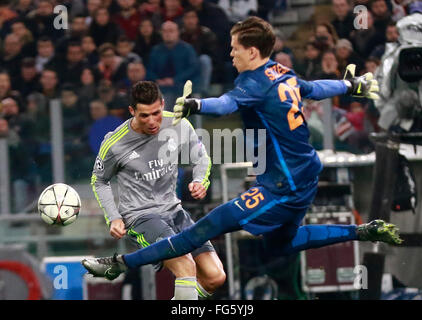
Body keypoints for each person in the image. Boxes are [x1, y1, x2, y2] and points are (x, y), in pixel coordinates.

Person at [82, 17, 401, 285]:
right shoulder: (282, 72)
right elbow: (315, 88)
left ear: (251, 51)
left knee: (204, 228)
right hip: (305, 177)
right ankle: (363, 230)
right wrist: (350, 86)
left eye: (234, 48)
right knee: (285, 243)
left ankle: (119, 263)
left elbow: (227, 104)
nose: (230, 54)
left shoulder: (254, 82)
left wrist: (197, 104)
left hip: (281, 187)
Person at [83, 81, 226, 300]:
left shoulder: (179, 124)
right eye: (144, 116)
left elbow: (202, 158)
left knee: (215, 276)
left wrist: (200, 181)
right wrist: (114, 217)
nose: (152, 121)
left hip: (175, 211)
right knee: (185, 266)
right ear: (132, 111)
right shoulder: (114, 143)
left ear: (163, 105)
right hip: (141, 216)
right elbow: (99, 180)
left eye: (156, 113)